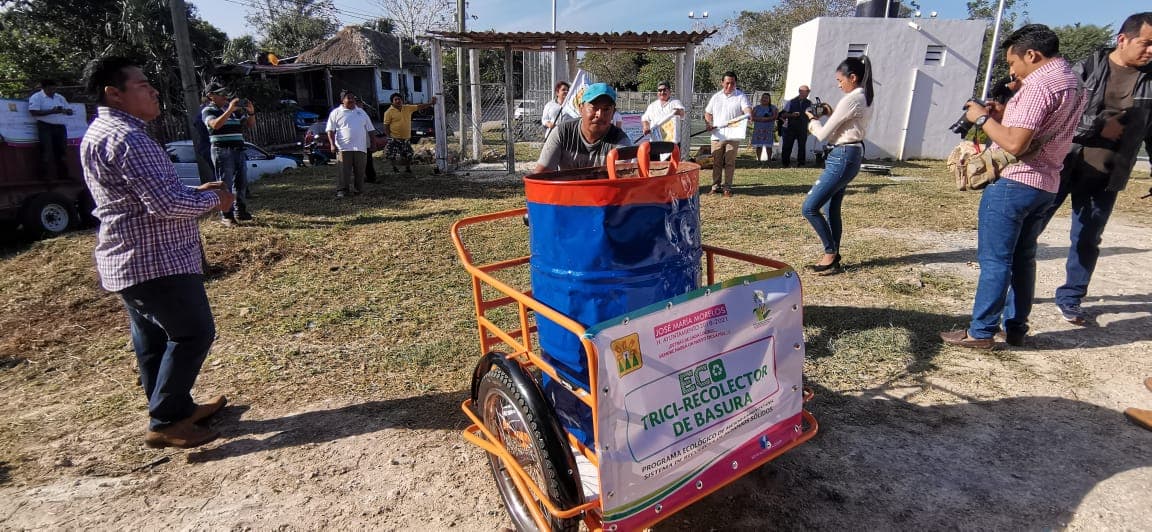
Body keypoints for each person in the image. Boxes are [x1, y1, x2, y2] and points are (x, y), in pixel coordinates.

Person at [80, 56, 235, 449]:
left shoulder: (101, 132)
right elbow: (164, 206)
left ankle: (173, 408)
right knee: (192, 333)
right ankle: (166, 420)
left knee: (152, 340)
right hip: (156, 261)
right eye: (142, 85)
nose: (153, 91)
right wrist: (214, 200)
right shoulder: (128, 138)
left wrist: (193, 194)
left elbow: (144, 197)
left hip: (129, 260)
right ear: (113, 94)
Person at [940, 24, 1088, 349]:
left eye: (1012, 62)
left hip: (1015, 182)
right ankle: (1016, 328)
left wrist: (981, 118)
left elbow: (1016, 144)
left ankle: (980, 332)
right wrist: (1004, 113)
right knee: (1024, 259)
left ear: (1032, 55)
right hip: (1046, 184)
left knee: (995, 260)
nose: (1012, 70)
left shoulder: (1038, 85)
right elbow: (1039, 129)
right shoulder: (1074, 82)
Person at [1041, 12, 1152, 326]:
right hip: (1061, 164)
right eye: (1146, 43)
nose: (1151, 51)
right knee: (1031, 231)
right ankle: (1011, 292)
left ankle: (1071, 299)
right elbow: (1057, 115)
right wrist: (1098, 128)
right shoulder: (1085, 68)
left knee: (1088, 239)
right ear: (1123, 39)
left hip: (1106, 174)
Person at [801, 56, 875, 274]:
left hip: (842, 155)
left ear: (853, 77)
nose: (838, 84)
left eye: (840, 80)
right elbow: (844, 125)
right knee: (831, 207)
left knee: (810, 207)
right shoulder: (865, 97)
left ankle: (830, 252)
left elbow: (823, 134)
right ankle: (833, 256)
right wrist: (830, 114)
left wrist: (812, 120)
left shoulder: (852, 99)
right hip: (849, 153)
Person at [534, 82, 632, 173]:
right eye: (594, 107)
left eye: (606, 109)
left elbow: (620, 179)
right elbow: (540, 175)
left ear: (613, 113)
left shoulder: (621, 141)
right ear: (581, 109)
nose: (600, 114)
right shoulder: (562, 133)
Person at [202, 82, 256, 224]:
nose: (225, 96)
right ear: (211, 96)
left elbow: (249, 124)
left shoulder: (233, 111)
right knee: (225, 183)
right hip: (222, 151)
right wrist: (230, 110)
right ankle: (227, 215)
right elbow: (215, 125)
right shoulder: (208, 110)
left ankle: (241, 211)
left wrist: (251, 111)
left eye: (225, 93)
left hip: (239, 150)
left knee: (241, 183)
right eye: (220, 93)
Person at [704, 71, 753, 196]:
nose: (729, 86)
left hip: (734, 135)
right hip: (717, 135)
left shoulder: (740, 96)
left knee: (730, 162)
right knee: (716, 162)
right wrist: (709, 123)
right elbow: (708, 113)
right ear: (722, 83)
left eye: (732, 83)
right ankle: (715, 186)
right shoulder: (716, 97)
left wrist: (748, 114)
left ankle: (727, 188)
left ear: (735, 83)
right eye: (727, 83)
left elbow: (747, 109)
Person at [326, 90, 377, 198]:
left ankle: (359, 190)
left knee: (360, 171)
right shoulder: (336, 113)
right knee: (344, 171)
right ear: (342, 100)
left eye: (353, 98)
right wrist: (332, 144)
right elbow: (330, 130)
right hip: (344, 148)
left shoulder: (361, 112)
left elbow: (371, 129)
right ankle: (342, 190)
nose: (351, 100)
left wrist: (373, 143)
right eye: (348, 98)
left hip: (361, 147)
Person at [27, 79, 74, 179]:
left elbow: (70, 111)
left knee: (62, 151)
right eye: (50, 89)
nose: (53, 91)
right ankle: (43, 177)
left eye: (54, 88)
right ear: (43, 88)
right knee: (46, 151)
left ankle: (64, 176)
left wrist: (65, 111)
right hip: (45, 126)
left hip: (60, 126)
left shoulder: (59, 97)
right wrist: (51, 111)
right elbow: (33, 112)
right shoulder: (36, 97)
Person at [382, 92, 436, 175]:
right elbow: (386, 125)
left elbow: (419, 106)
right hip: (394, 138)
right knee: (392, 154)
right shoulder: (388, 112)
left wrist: (431, 103)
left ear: (402, 100)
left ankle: (408, 168)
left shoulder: (407, 108)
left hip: (406, 138)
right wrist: (389, 137)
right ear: (392, 102)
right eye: (395, 99)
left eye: (399, 99)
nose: (397, 101)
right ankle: (394, 168)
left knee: (409, 154)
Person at [779, 85, 813, 167]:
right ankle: (785, 163)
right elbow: (783, 114)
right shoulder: (791, 102)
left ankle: (801, 163)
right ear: (800, 92)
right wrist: (792, 115)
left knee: (802, 146)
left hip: (803, 128)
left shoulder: (809, 103)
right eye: (806, 91)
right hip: (791, 127)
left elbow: (811, 115)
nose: (807, 93)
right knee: (788, 145)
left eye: (808, 91)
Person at [750, 93, 779, 163]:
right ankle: (758, 160)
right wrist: (760, 119)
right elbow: (752, 117)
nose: (764, 99)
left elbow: (775, 117)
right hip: (758, 129)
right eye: (763, 97)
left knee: (768, 145)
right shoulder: (756, 108)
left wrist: (767, 119)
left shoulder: (773, 108)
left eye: (766, 98)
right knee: (758, 145)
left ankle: (769, 160)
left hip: (768, 129)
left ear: (769, 100)